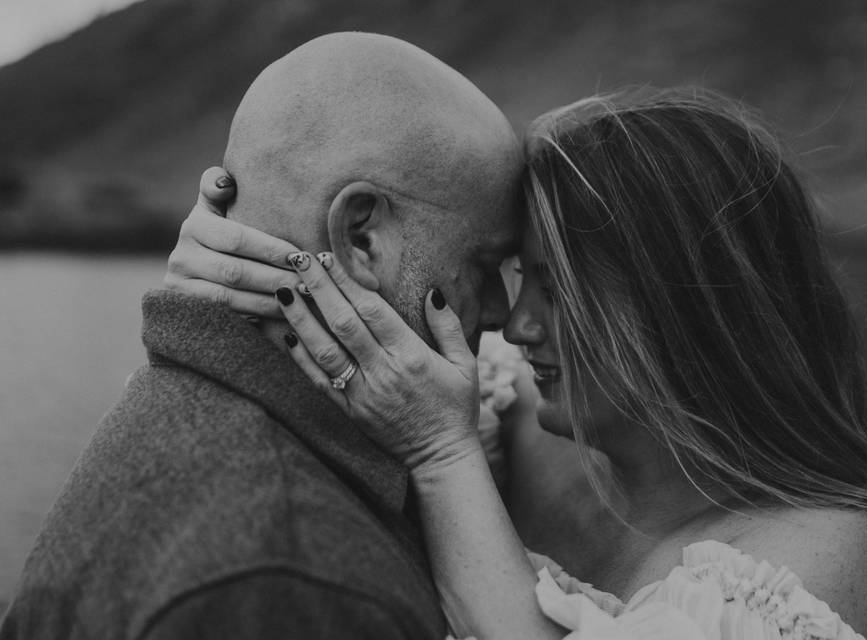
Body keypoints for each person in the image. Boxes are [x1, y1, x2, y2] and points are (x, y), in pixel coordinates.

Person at [166, 89, 867, 639]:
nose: (514, 326)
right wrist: (248, 250)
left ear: (681, 308)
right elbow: (350, 350)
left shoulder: (821, 551)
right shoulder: (515, 421)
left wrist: (441, 457)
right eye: (519, 280)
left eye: (554, 289)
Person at [0, 32, 522, 639]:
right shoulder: (287, 584)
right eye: (484, 267)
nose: (503, 315)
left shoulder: (195, 408)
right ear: (361, 237)